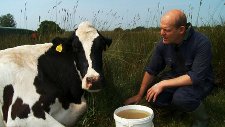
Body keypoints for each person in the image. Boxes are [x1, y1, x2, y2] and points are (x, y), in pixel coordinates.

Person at [124, 9, 214, 127]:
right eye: (161, 28)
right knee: (152, 96)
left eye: (166, 30)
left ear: (181, 30)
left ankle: (202, 120)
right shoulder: (163, 43)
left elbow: (195, 77)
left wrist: (162, 84)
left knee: (181, 98)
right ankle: (179, 109)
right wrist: (139, 95)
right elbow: (151, 70)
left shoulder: (201, 42)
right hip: (177, 77)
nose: (161, 33)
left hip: (201, 81)